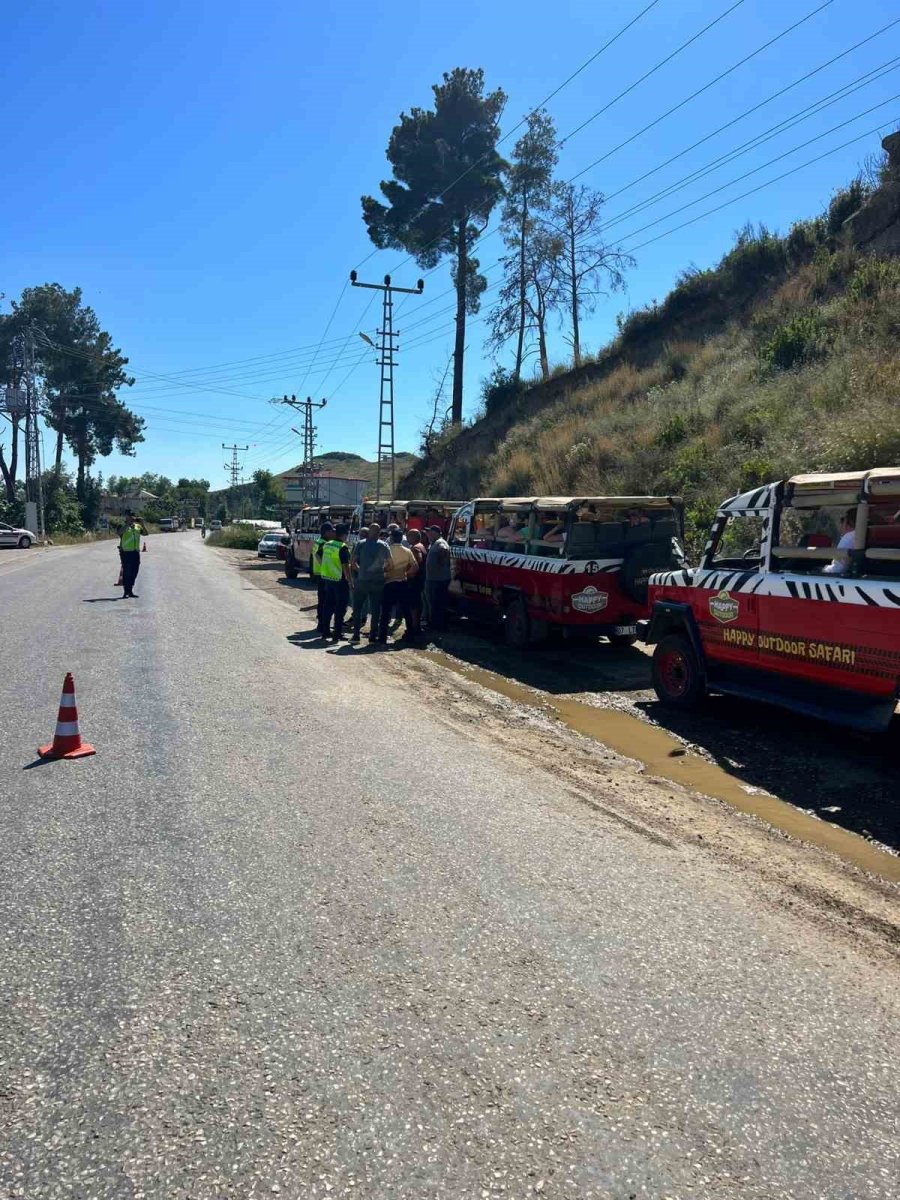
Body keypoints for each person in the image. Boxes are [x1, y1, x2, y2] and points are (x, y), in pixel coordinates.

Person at [351, 523, 391, 644]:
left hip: (362, 580)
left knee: (357, 608)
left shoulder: (360, 544)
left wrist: (360, 570)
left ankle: (356, 636)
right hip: (378, 581)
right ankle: (372, 637)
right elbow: (390, 563)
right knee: (375, 609)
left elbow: (352, 562)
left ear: (369, 532)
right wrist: (382, 571)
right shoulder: (384, 545)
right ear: (379, 533)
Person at [380, 528, 418, 642]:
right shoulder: (407, 551)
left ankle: (382, 636)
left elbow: (382, 567)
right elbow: (415, 567)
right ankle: (410, 634)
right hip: (402, 583)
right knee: (406, 610)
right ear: (401, 539)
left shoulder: (386, 550)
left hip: (388, 583)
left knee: (386, 611)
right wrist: (406, 574)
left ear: (391, 538)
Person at [316, 523, 351, 642]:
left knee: (328, 606)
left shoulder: (327, 544)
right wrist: (350, 581)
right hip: (339, 581)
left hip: (328, 579)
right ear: (345, 535)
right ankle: (337, 634)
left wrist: (324, 567)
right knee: (340, 608)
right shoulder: (342, 547)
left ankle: (325, 632)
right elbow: (346, 566)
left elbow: (317, 555)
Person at [424, 524, 452, 631]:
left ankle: (436, 626)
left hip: (437, 580)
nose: (428, 534)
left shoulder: (440, 542)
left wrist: (440, 562)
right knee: (434, 603)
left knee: (436, 603)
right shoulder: (434, 543)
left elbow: (443, 549)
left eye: (430, 532)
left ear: (435, 533)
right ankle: (435, 624)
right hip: (434, 578)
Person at [118, 511, 146, 599]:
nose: (132, 518)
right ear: (126, 517)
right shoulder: (122, 526)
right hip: (126, 552)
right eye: (130, 517)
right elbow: (119, 532)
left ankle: (130, 590)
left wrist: (142, 524)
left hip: (135, 552)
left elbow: (146, 533)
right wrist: (128, 524)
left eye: (133, 517)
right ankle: (126, 591)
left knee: (134, 571)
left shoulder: (137, 526)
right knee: (127, 572)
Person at [823, 509, 857, 576]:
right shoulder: (865, 535)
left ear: (847, 522)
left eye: (842, 520)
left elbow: (838, 569)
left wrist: (823, 570)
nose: (841, 525)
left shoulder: (849, 537)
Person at [407, 528, 427, 635]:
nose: (407, 537)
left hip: (414, 580)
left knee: (413, 605)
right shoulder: (422, 546)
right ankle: (416, 626)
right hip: (420, 580)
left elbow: (418, 561)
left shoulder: (415, 548)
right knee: (418, 603)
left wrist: (408, 573)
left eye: (409, 535)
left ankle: (414, 628)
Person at [311, 522, 330, 631]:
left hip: (318, 573)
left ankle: (320, 622)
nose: (332, 533)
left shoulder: (317, 542)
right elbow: (320, 557)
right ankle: (322, 623)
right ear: (326, 532)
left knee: (321, 600)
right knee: (325, 600)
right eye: (331, 531)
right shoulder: (323, 544)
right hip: (323, 574)